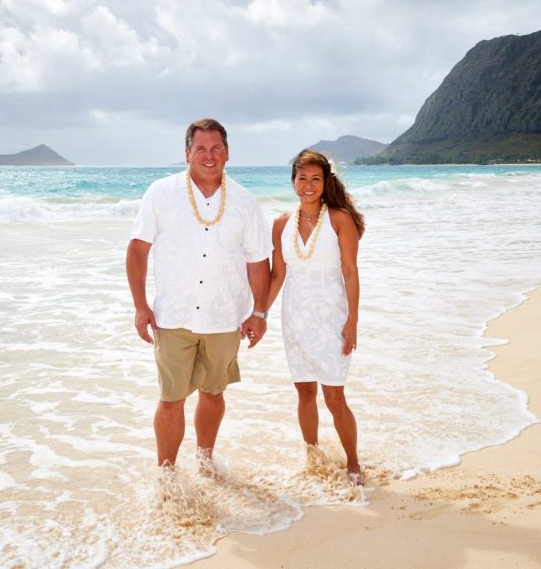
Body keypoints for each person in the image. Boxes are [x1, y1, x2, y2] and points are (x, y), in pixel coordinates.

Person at [126, 118, 271, 469]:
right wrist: (140, 306)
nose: (209, 155)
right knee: (170, 397)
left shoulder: (244, 201)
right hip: (174, 315)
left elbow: (257, 261)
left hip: (224, 316)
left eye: (217, 148)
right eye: (201, 148)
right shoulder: (161, 193)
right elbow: (137, 249)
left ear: (228, 153)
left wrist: (260, 312)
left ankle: (205, 463)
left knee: (214, 392)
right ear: (188, 152)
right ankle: (167, 473)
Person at [267, 148, 366, 485]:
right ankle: (313, 456)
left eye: (315, 179)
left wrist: (351, 321)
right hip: (294, 317)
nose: (308, 185)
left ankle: (353, 462)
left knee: (335, 396)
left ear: (325, 182)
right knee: (304, 392)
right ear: (293, 181)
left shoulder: (340, 219)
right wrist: (258, 313)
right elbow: (277, 274)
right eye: (302, 178)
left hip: (331, 317)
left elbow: (350, 272)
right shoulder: (281, 223)